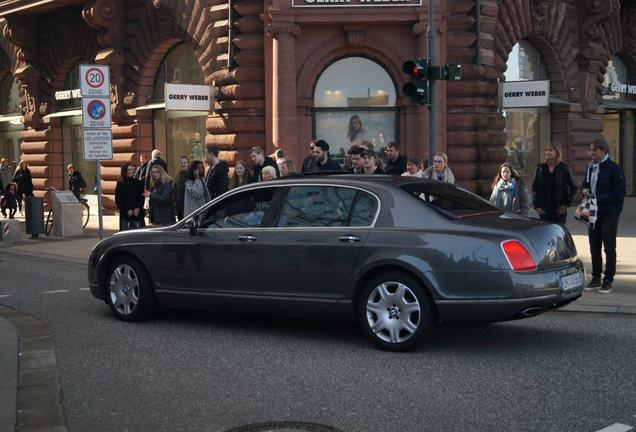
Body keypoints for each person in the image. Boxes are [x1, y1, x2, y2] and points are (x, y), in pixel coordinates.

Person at [581, 138, 626, 293]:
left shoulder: (614, 169)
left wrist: (598, 199)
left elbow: (620, 192)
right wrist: (585, 191)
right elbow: (586, 184)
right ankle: (595, 278)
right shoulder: (590, 166)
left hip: (609, 213)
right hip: (593, 212)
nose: (591, 152)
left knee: (608, 246)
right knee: (594, 246)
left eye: (594, 150)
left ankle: (608, 279)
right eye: (590, 149)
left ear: (603, 151)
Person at [531, 142, 578, 224]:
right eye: (546, 150)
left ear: (557, 152)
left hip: (559, 211)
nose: (547, 152)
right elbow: (534, 187)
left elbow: (574, 187)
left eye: (550, 150)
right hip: (543, 211)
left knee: (558, 234)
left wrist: (566, 205)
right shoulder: (540, 168)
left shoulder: (564, 168)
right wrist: (536, 206)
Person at [114, 164, 145, 230]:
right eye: (128, 169)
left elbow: (142, 197)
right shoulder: (120, 184)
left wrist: (139, 208)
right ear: (124, 171)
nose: (131, 171)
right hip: (126, 215)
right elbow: (118, 200)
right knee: (126, 237)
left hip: (137, 214)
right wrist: (126, 210)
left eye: (131, 169)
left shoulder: (138, 182)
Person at [173, 155, 189, 221]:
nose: (183, 164)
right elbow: (175, 190)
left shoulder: (190, 175)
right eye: (182, 163)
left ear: (188, 164)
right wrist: (175, 203)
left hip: (187, 205)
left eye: (185, 163)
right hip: (179, 206)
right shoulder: (177, 176)